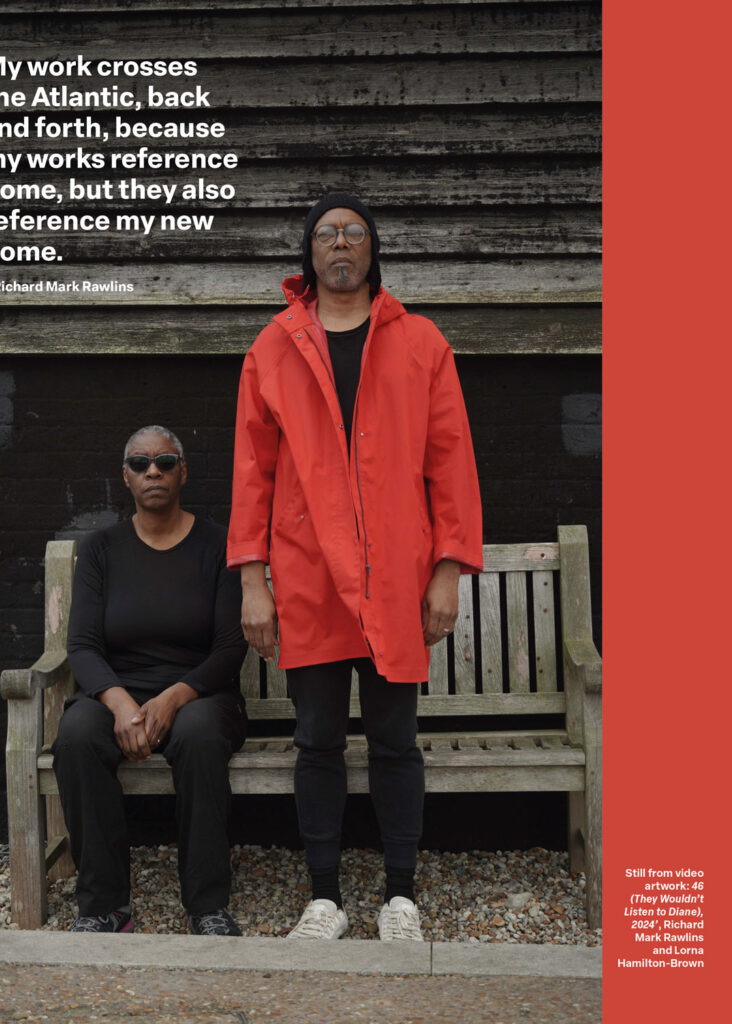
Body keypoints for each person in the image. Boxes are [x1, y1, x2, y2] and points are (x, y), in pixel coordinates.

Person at [227, 193, 482, 941]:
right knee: (317, 740)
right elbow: (252, 473)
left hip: (397, 575)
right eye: (327, 235)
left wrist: (447, 571)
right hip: (307, 575)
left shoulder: (421, 341)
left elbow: (451, 461)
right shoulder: (272, 347)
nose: (340, 245)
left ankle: (400, 895)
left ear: (374, 252)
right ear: (308, 254)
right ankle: (325, 898)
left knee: (396, 738)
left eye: (355, 234)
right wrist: (253, 580)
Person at [52, 425, 248, 935]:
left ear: (183, 470)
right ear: (126, 476)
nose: (152, 471)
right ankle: (104, 906)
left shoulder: (218, 548)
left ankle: (207, 906)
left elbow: (230, 647)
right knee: (75, 737)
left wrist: (174, 697)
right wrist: (119, 704)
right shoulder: (101, 550)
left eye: (164, 461)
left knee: (201, 735)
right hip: (119, 688)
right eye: (140, 464)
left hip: (200, 693)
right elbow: (83, 646)